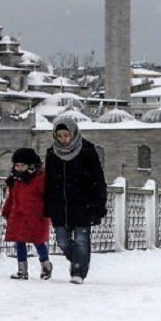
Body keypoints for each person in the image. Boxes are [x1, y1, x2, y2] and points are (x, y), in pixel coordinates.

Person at [44, 117, 107, 284]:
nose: (63, 139)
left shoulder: (87, 151)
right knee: (62, 241)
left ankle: (78, 272)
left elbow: (98, 180)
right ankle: (80, 260)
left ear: (73, 133)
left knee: (81, 240)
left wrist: (99, 205)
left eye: (66, 135)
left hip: (83, 204)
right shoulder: (52, 153)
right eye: (60, 136)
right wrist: (48, 205)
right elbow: (48, 181)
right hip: (60, 205)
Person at [1, 148, 52, 280]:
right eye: (17, 165)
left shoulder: (41, 179)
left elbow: (48, 197)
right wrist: (6, 211)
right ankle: (22, 270)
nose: (19, 168)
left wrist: (48, 212)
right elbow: (11, 198)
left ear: (31, 165)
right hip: (19, 215)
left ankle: (46, 266)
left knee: (39, 242)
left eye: (22, 165)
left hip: (36, 216)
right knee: (20, 242)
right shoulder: (16, 180)